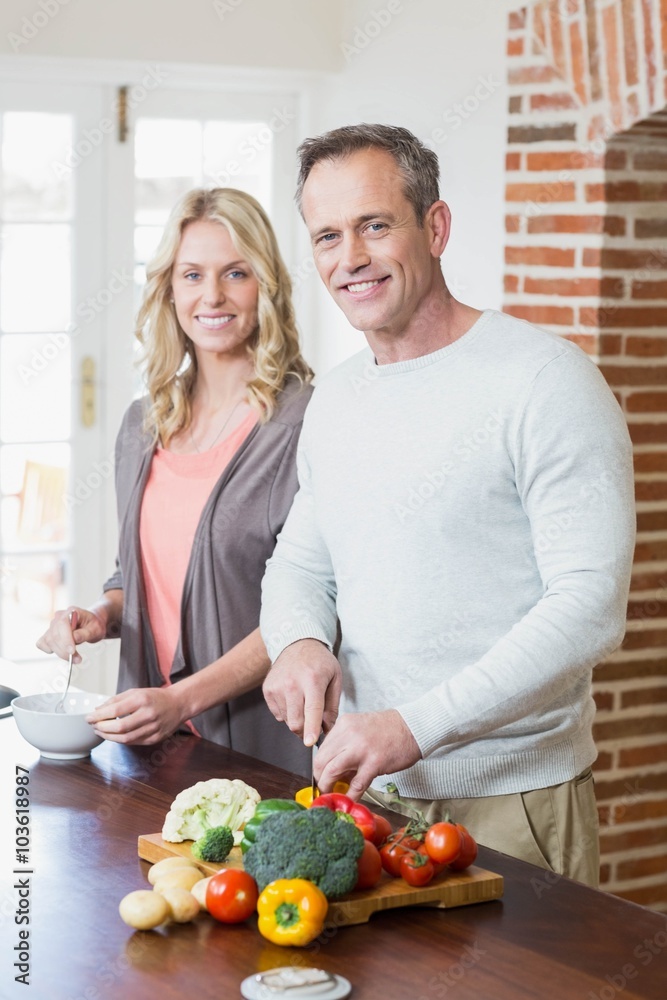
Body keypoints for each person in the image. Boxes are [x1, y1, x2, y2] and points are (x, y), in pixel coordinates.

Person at [259, 124, 636, 882]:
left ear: (434, 227)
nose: (350, 258)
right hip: (373, 798)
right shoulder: (334, 400)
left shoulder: (543, 381)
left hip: (512, 802)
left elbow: (588, 605)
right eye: (327, 236)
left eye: (374, 225)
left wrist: (416, 726)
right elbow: (301, 563)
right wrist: (298, 641)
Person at [37, 187, 314, 776]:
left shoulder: (303, 423)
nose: (211, 295)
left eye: (235, 273)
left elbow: (312, 610)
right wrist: (101, 615)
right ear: (169, 289)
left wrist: (181, 701)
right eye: (192, 275)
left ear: (264, 285)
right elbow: (133, 574)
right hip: (148, 750)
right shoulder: (144, 424)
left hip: (263, 753)